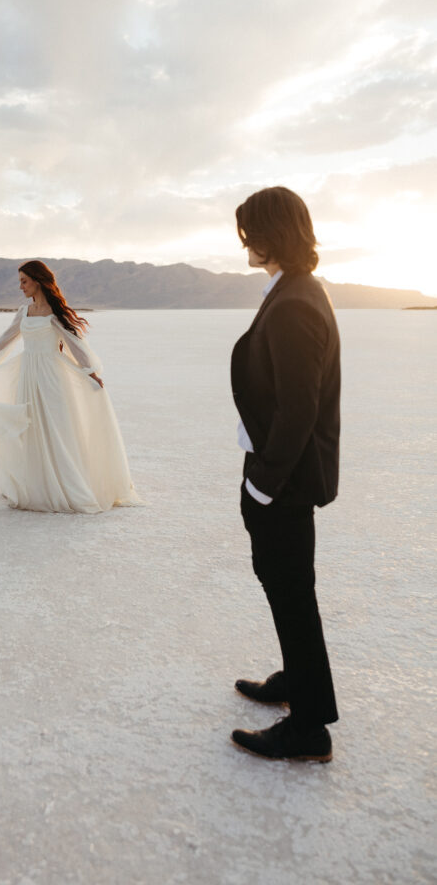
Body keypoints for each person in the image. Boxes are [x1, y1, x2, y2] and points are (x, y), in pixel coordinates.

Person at [230, 186, 340, 762]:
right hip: (280, 473)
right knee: (287, 587)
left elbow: (300, 410)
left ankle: (310, 728)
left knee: (292, 590)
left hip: (284, 481)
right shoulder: (294, 290)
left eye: (250, 230)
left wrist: (263, 485)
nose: (244, 241)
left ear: (272, 233)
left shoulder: (296, 302)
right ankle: (298, 683)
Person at [0, 260, 140, 514]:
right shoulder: (24, 311)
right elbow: (6, 339)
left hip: (52, 378)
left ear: (37, 280)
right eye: (20, 281)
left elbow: (75, 343)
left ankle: (66, 485)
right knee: (31, 429)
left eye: (24, 281)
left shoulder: (55, 314)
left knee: (57, 429)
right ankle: (37, 485)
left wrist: (90, 373)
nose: (20, 286)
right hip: (28, 375)